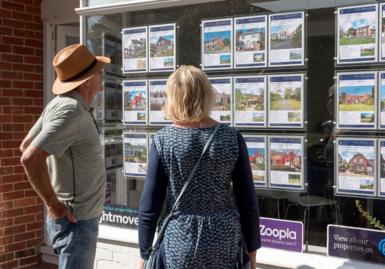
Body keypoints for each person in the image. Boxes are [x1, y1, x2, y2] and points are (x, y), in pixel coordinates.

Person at [138, 65, 261, 269]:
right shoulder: (231, 138)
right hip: (224, 239)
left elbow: (150, 204)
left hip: (180, 239)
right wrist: (253, 249)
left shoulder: (163, 140)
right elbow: (247, 200)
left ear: (173, 98)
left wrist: (144, 252)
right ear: (207, 95)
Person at [20, 44, 110, 269]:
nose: (102, 75)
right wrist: (53, 204)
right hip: (76, 222)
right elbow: (29, 156)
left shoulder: (61, 105)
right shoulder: (71, 111)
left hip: (76, 220)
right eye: (98, 71)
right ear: (87, 80)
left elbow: (26, 145)